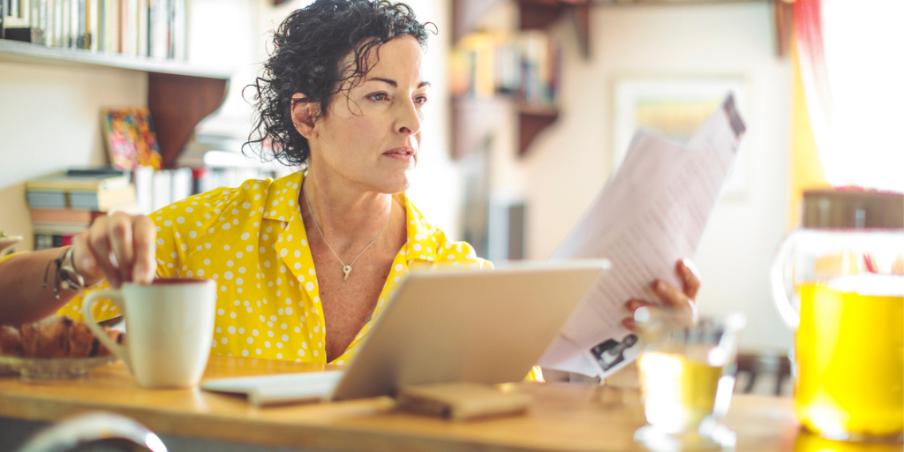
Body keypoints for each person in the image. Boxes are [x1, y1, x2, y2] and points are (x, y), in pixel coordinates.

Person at [0, 0, 699, 369]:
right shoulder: (207, 232)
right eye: (377, 97)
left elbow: (539, 419)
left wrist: (646, 343)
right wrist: (78, 260)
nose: (409, 123)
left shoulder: (458, 277)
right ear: (309, 115)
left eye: (420, 98)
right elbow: (13, 314)